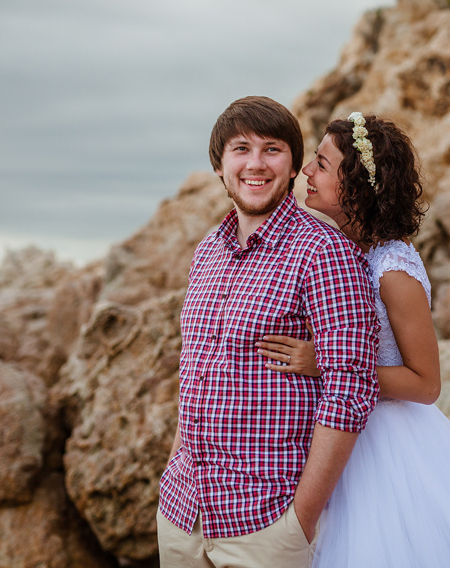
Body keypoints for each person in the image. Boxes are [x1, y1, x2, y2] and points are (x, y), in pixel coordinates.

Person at [257, 112, 450, 567]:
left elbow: (426, 382)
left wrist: (328, 362)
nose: (306, 173)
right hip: (330, 429)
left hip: (386, 446)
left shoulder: (393, 269)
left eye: (320, 163)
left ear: (354, 184)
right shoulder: (338, 250)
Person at [156, 96, 380, 568]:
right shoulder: (206, 253)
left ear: (295, 165)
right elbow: (193, 371)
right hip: (181, 515)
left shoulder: (325, 252)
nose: (255, 164)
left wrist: (301, 518)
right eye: (241, 149)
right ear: (220, 166)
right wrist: (171, 473)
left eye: (271, 149)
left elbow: (351, 386)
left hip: (266, 522)